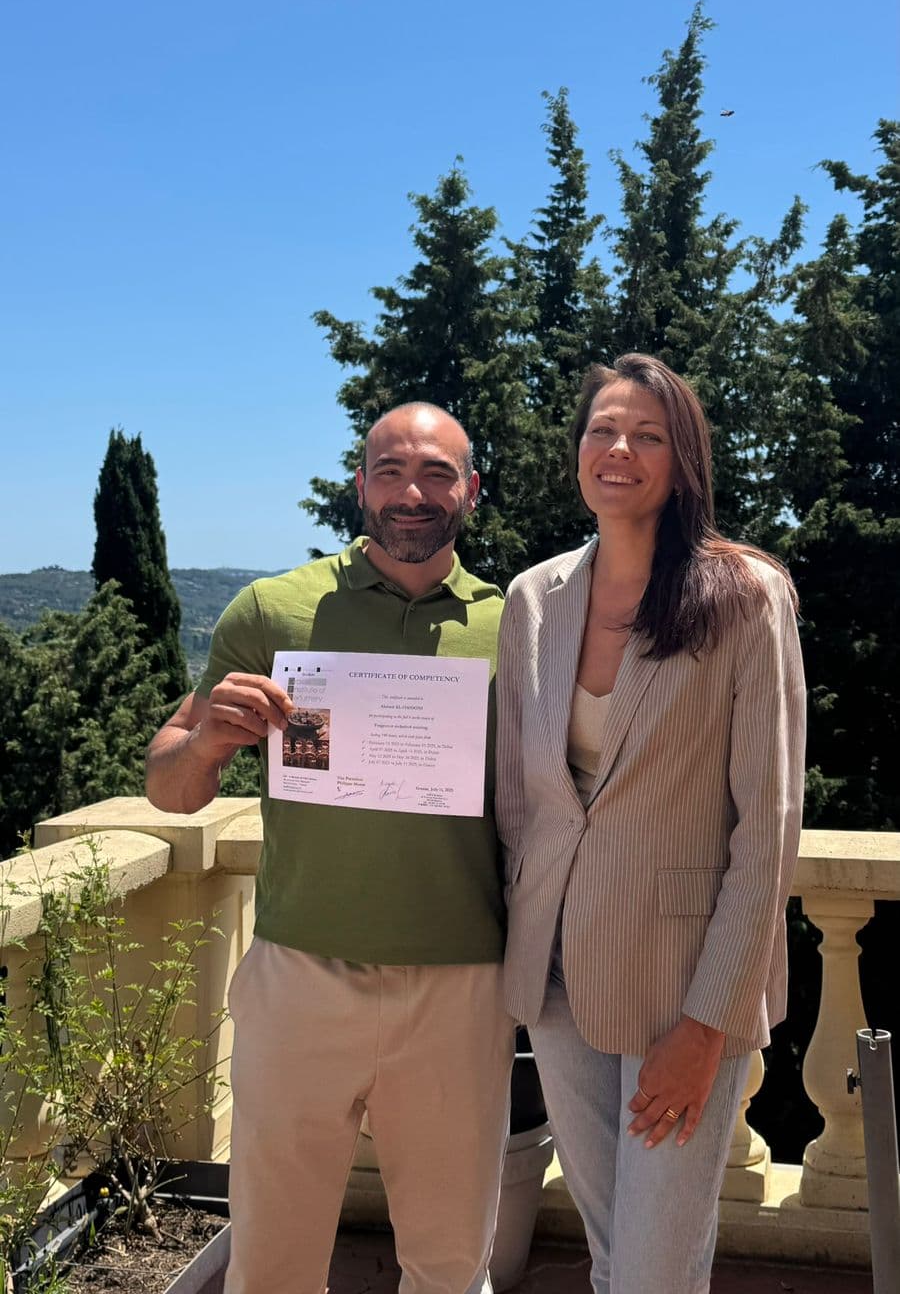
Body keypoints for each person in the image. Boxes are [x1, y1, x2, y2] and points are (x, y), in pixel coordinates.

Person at [146, 403, 514, 1294]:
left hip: (462, 986)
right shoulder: (273, 608)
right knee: (270, 1260)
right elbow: (170, 784)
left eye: (435, 473)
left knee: (452, 1265)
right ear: (360, 486)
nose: (411, 493)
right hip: (299, 977)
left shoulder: (521, 626)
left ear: (471, 489)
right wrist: (206, 745)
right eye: (389, 471)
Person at [495, 354, 805, 1294]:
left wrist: (708, 1023)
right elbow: (523, 796)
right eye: (602, 430)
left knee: (658, 1264)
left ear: (683, 459)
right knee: (609, 1249)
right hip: (553, 973)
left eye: (647, 434)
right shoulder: (534, 600)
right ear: (577, 452)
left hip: (681, 985)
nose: (619, 448)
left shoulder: (744, 597)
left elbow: (769, 827)